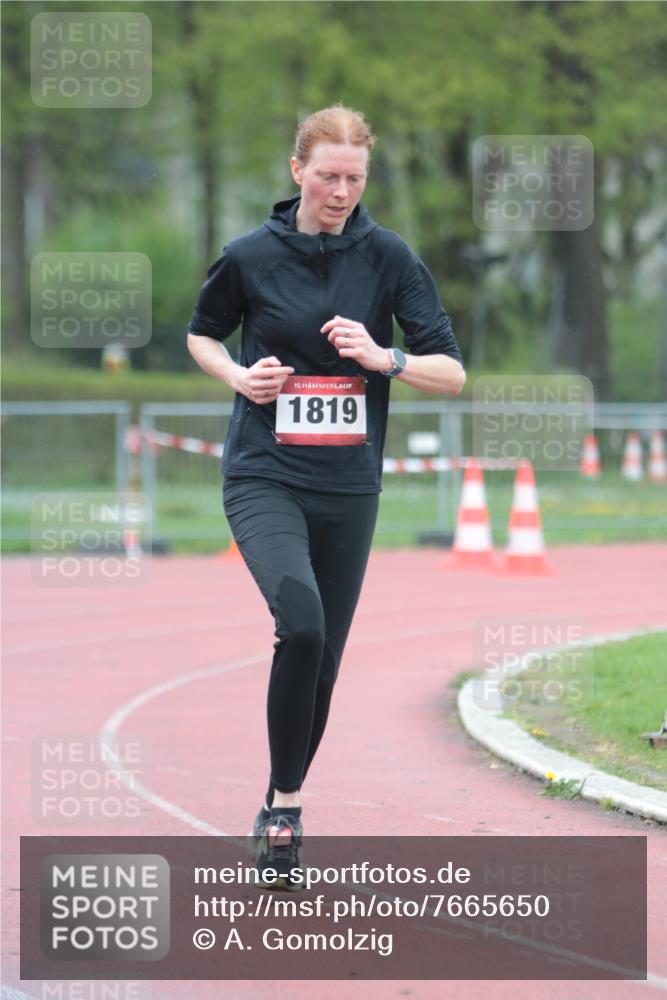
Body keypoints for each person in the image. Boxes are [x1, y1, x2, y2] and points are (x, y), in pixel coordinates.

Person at [186, 104, 465, 890]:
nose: (341, 191)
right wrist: (239, 376)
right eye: (328, 175)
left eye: (355, 178)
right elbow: (201, 332)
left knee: (326, 663)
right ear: (296, 169)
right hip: (264, 472)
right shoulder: (248, 255)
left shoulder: (387, 257)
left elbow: (452, 370)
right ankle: (286, 814)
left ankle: (280, 801)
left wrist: (387, 358)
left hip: (348, 484)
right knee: (300, 624)